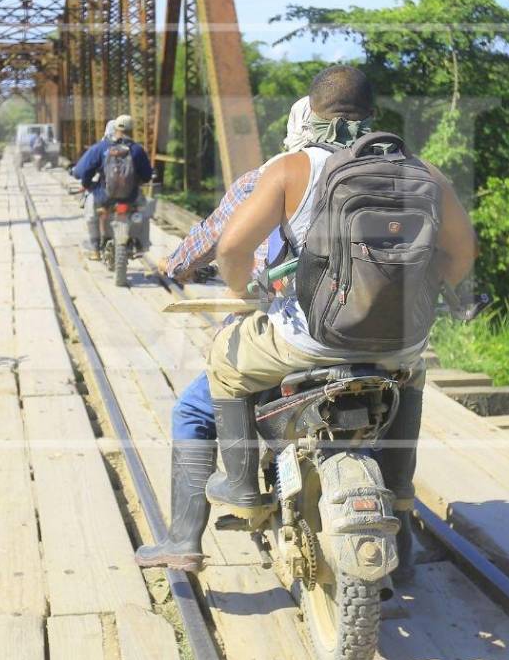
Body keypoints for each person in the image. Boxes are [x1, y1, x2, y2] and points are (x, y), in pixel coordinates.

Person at [204, 65, 477, 582]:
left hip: (309, 339)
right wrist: (424, 288)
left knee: (224, 363)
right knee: (412, 375)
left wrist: (244, 291)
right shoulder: (422, 171)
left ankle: (241, 487)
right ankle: (398, 499)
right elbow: (463, 254)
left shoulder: (291, 168)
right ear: (372, 113)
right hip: (399, 342)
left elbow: (232, 249)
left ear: (312, 112)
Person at [134, 97, 312, 574]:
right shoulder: (377, 175)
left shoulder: (265, 179)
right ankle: (400, 532)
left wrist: (177, 264)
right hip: (371, 336)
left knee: (194, 410)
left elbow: (214, 239)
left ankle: (185, 538)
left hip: (285, 335)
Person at [71, 114, 153, 260]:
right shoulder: (137, 150)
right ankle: (141, 244)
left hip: (104, 196)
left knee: (90, 214)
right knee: (145, 211)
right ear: (132, 129)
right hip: (130, 196)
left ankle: (95, 249)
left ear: (114, 128)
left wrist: (87, 184)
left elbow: (81, 172)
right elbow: (147, 176)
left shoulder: (101, 148)